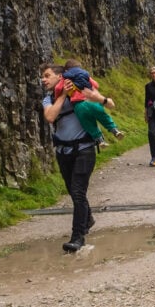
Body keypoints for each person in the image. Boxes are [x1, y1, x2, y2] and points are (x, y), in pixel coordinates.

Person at [40, 63, 110, 252]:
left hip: (85, 150)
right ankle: (87, 218)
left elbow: (102, 104)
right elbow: (50, 117)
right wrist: (62, 95)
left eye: (47, 75)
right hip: (63, 152)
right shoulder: (48, 99)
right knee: (74, 192)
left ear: (60, 76)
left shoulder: (81, 90)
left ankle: (77, 237)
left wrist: (100, 99)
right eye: (42, 76)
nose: (43, 79)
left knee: (78, 192)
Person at [59, 65, 124, 149]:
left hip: (79, 105)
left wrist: (60, 95)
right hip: (92, 101)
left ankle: (100, 140)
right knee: (103, 116)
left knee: (88, 124)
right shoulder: (84, 74)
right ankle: (115, 130)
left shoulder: (66, 79)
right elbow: (96, 85)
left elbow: (58, 88)